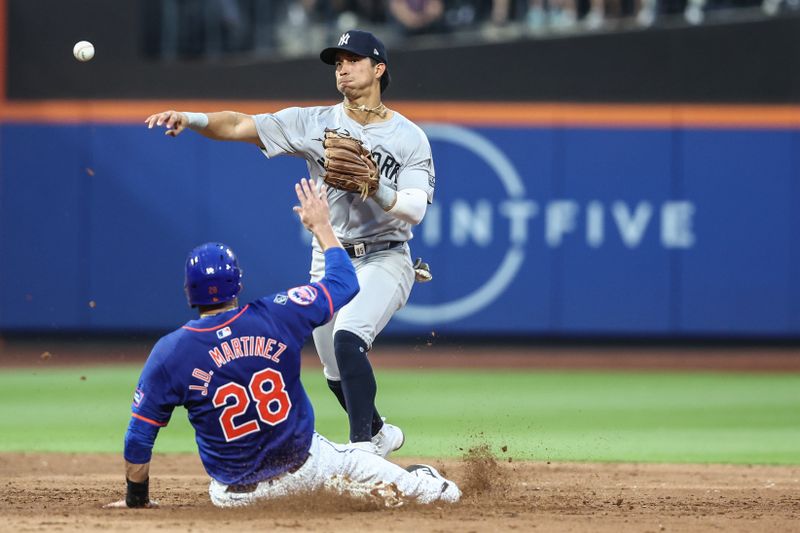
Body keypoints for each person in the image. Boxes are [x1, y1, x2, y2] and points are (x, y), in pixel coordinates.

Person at [144, 29, 435, 458]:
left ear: (379, 69)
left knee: (348, 339)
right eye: (337, 63)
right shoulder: (314, 122)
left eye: (352, 60)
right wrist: (192, 118)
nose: (343, 69)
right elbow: (242, 124)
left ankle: (362, 454)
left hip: (386, 256)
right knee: (335, 371)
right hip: (331, 258)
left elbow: (414, 209)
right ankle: (378, 433)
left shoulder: (409, 137)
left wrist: (376, 188)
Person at [105, 179, 460, 509]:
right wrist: (322, 227)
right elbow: (344, 282)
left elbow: (139, 435)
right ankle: (419, 483)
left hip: (236, 500)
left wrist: (137, 500)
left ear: (188, 293)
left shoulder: (170, 352)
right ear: (238, 284)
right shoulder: (278, 314)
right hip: (309, 470)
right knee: (442, 494)